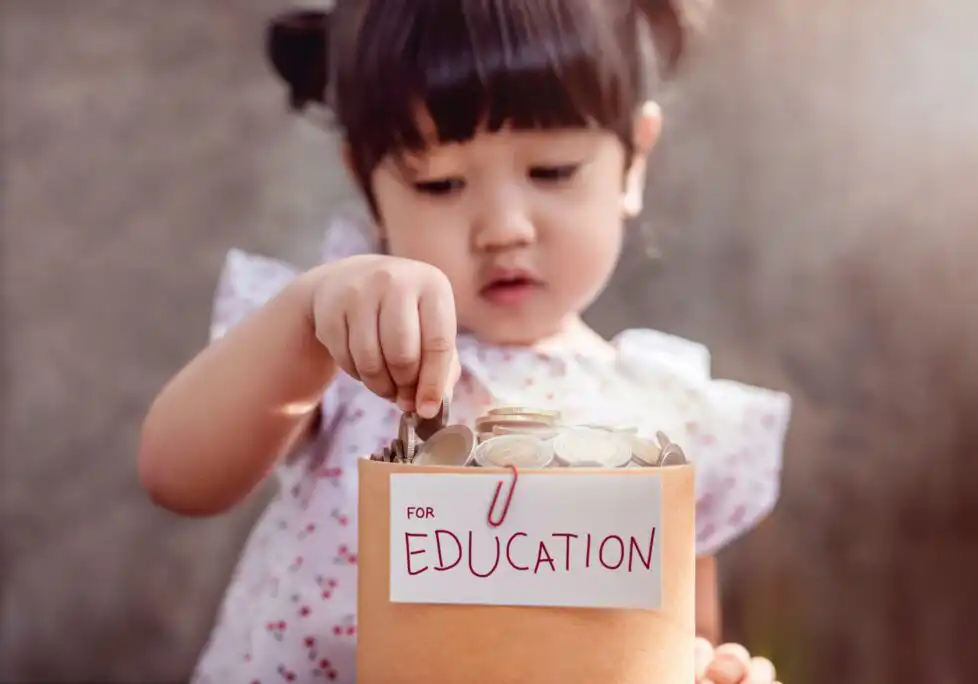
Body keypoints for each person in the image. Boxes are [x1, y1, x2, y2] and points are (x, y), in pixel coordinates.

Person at [138, 1, 791, 682]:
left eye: (553, 172)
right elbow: (178, 477)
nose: (503, 227)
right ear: (368, 183)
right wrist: (305, 323)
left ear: (633, 162)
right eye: (440, 183)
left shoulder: (673, 416)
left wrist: (712, 672)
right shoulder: (349, 339)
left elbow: (674, 643)